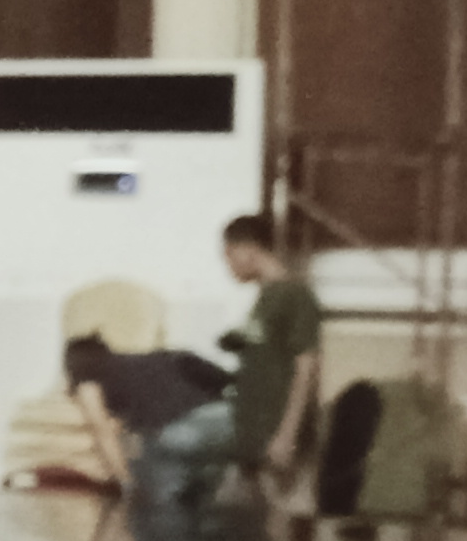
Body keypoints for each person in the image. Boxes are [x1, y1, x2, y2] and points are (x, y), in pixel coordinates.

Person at [215, 213, 324, 507]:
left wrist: (288, 433)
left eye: (229, 254)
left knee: (284, 524)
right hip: (255, 440)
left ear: (249, 249)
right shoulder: (265, 298)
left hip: (278, 440)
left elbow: (307, 367)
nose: (228, 264)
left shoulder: (295, 295)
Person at [64, 331, 232, 519]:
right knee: (199, 473)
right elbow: (226, 380)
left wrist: (126, 483)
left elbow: (101, 430)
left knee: (157, 493)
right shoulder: (160, 358)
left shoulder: (88, 375)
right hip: (225, 420)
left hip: (178, 432)